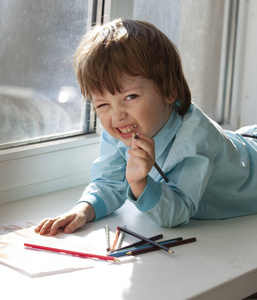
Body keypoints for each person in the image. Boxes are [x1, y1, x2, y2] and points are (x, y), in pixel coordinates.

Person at [35, 19, 257, 236]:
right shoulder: (120, 130)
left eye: (130, 96)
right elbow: (108, 182)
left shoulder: (196, 140)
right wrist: (82, 210)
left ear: (170, 90)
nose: (117, 115)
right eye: (102, 104)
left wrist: (140, 183)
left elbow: (177, 212)